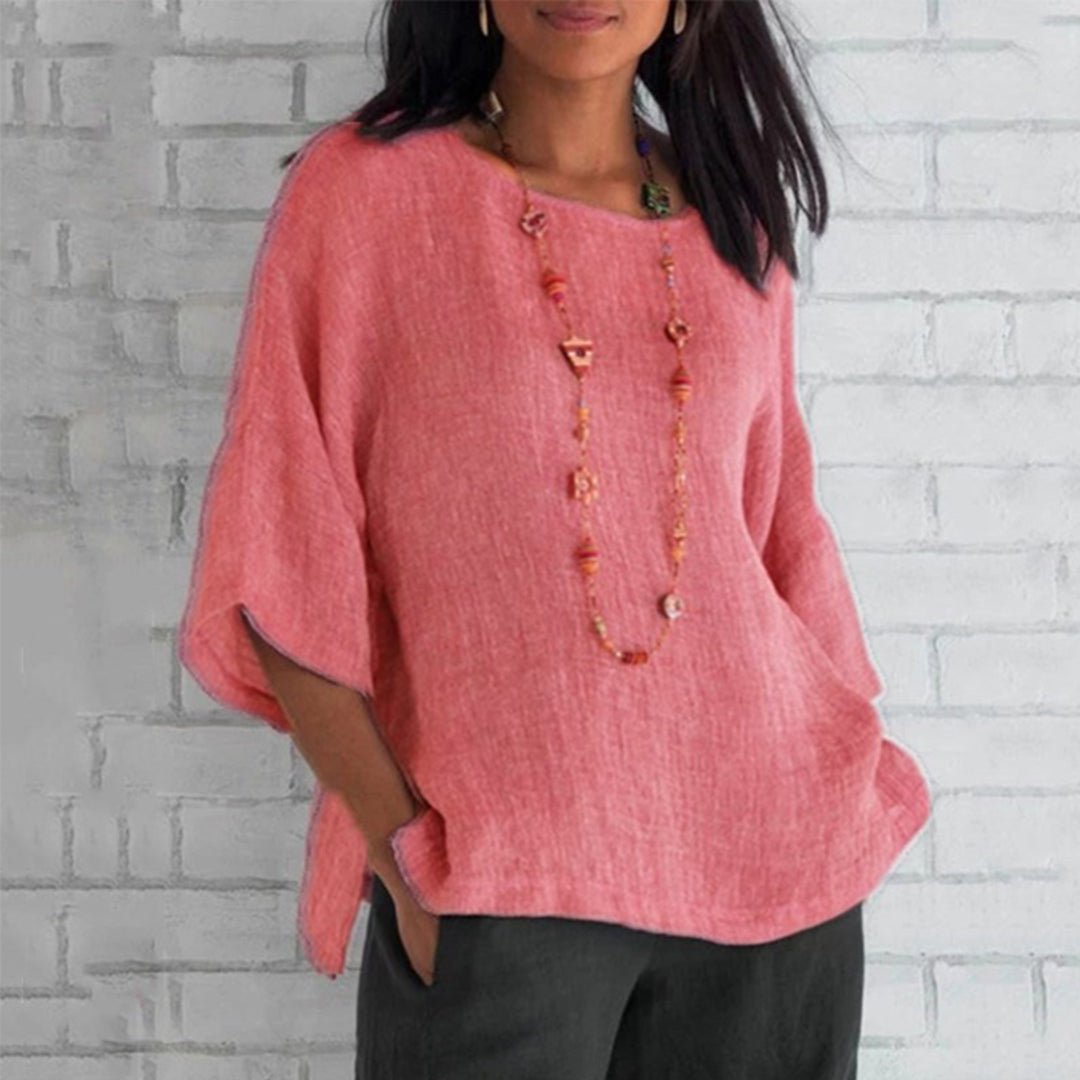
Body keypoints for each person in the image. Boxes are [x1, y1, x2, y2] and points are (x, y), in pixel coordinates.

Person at [178, 1, 933, 1076]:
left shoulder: (735, 220)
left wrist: (842, 761)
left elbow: (775, 527)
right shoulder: (366, 195)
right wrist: (403, 859)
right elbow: (278, 549)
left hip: (774, 871)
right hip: (503, 886)